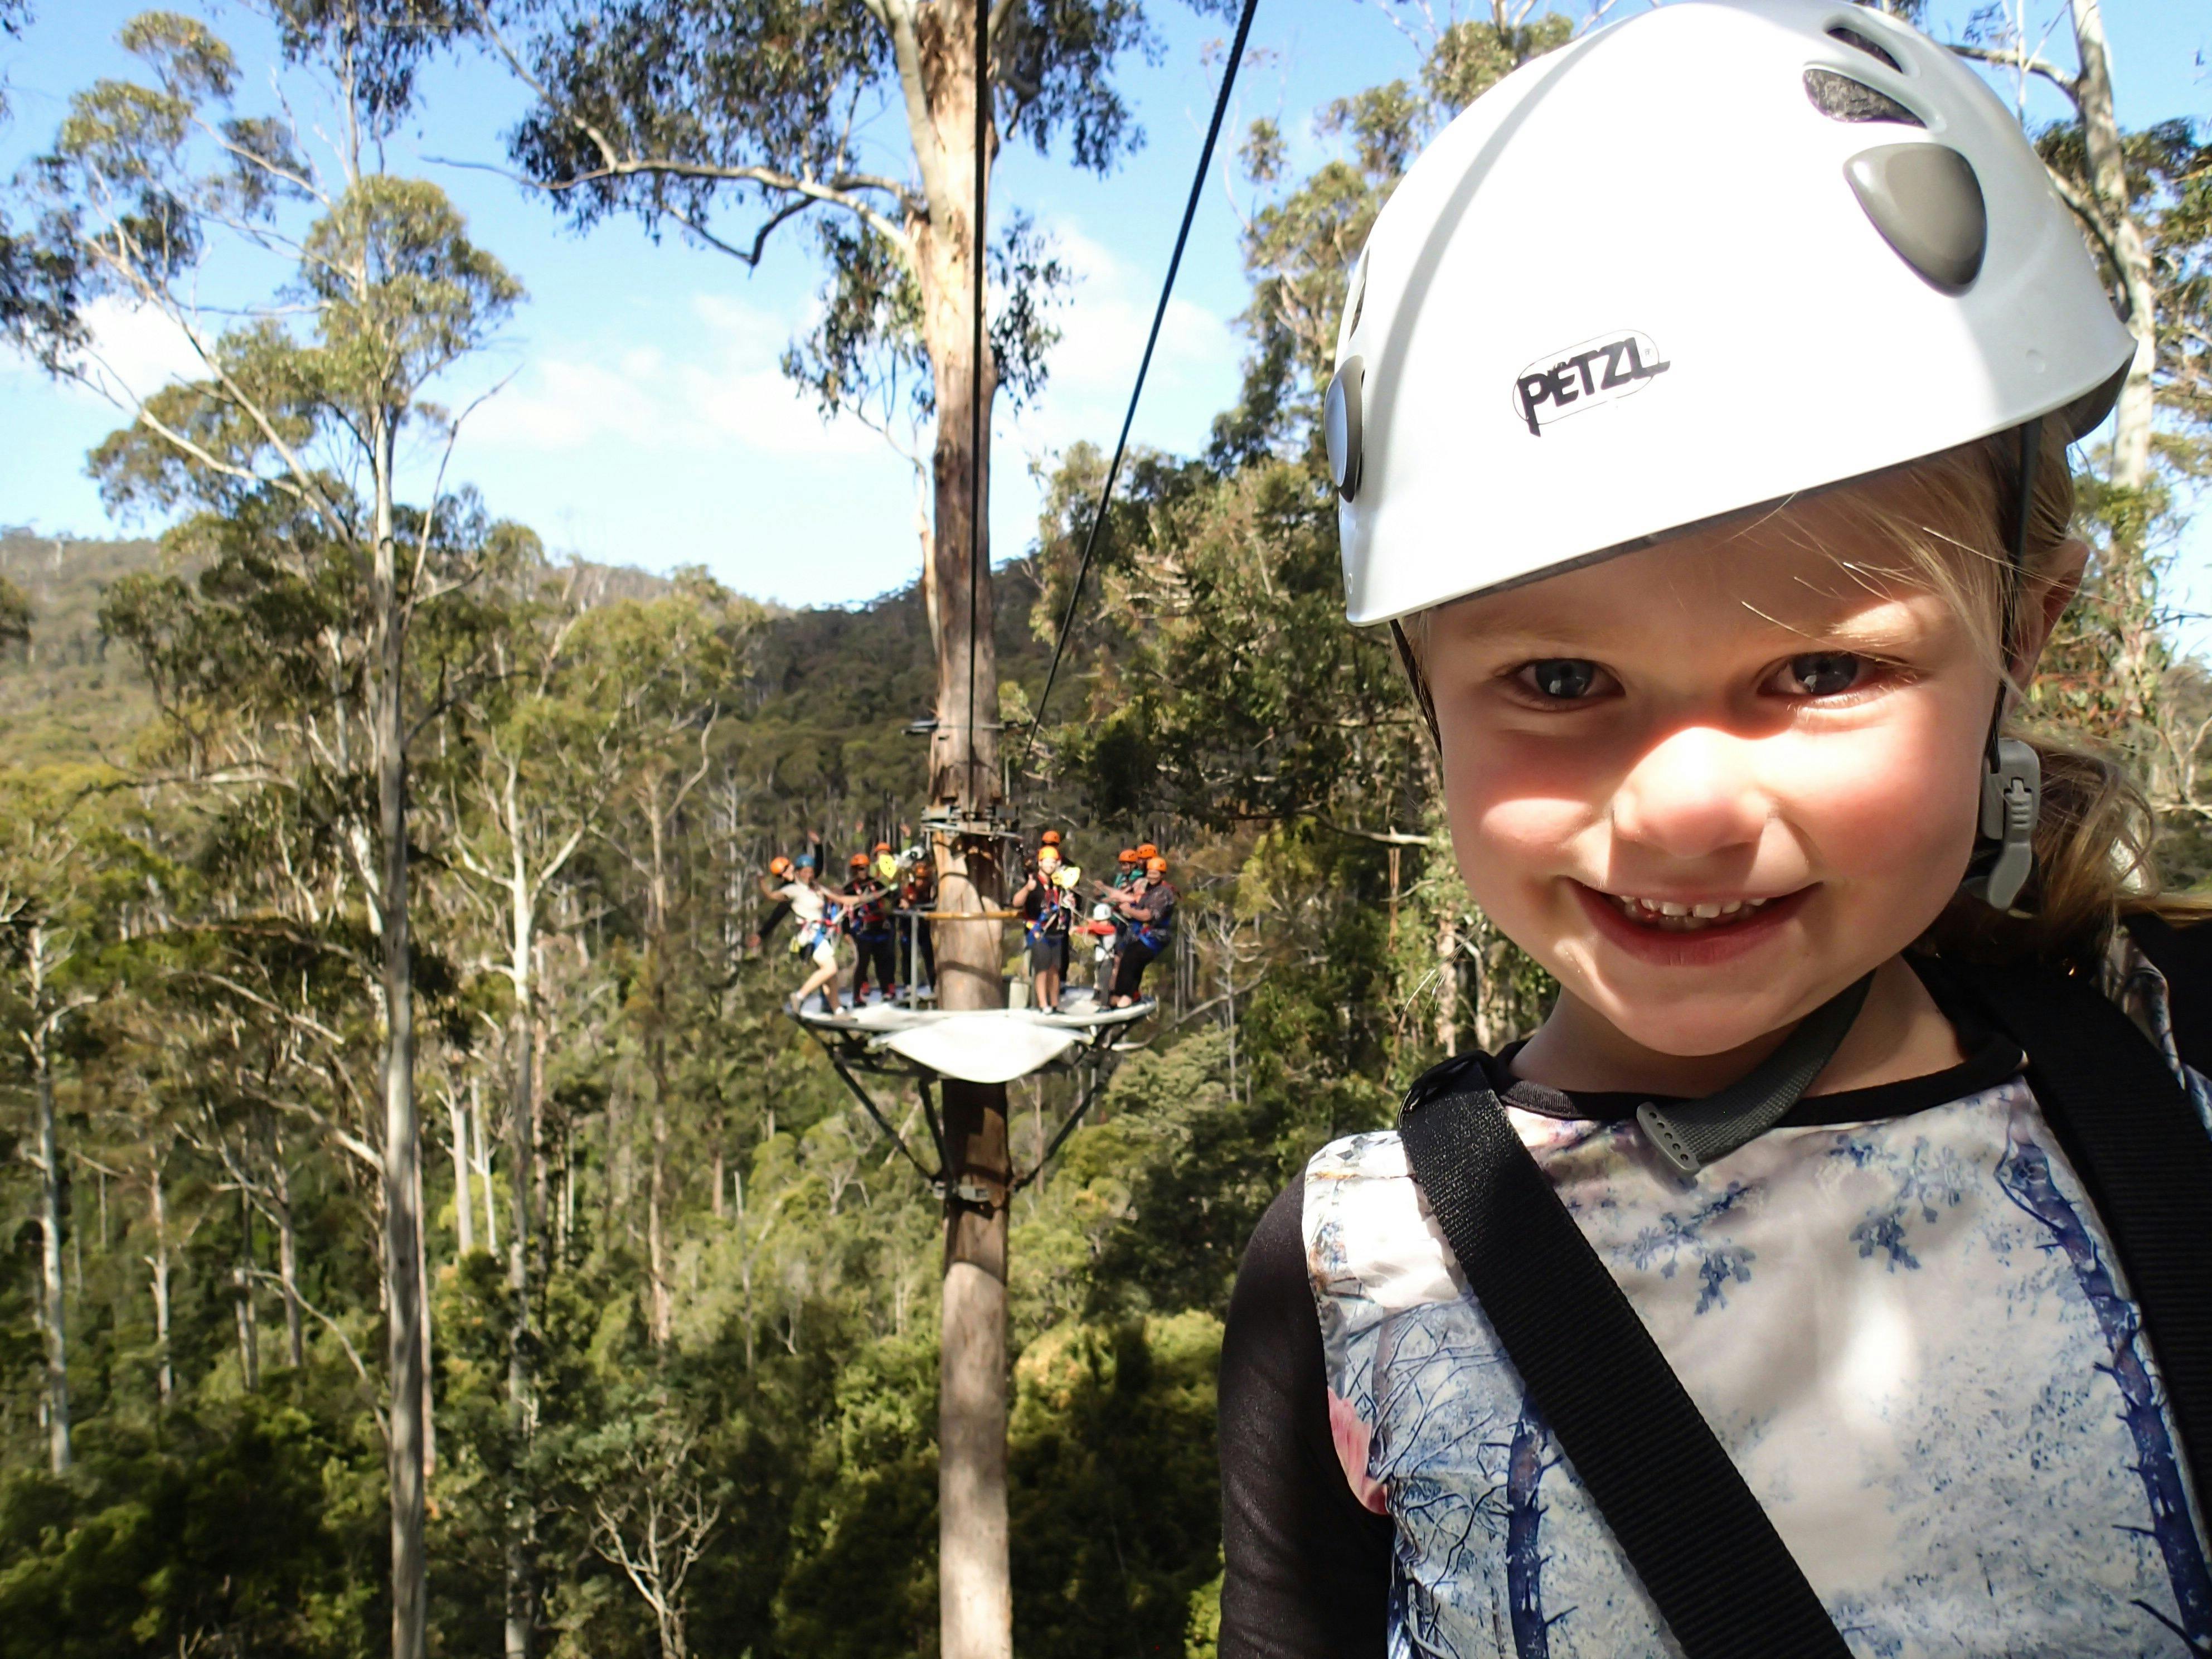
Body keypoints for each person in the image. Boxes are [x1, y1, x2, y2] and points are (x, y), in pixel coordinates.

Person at [1219, 6, 2212, 1656]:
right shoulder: (1350, 1275)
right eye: (1553, 677)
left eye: (1817, 669)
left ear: (2021, 632)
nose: (1679, 807)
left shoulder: (2171, 1069)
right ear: (1419, 686)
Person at [1011, 842, 1081, 1013]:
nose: (1050, 865)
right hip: (1038, 931)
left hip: (1056, 931)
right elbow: (1016, 903)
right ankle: (1044, 1005)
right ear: (1040, 863)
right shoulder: (1034, 881)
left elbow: (1071, 904)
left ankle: (1055, 1004)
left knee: (1055, 969)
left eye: (1053, 862)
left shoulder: (1060, 884)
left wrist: (1071, 901)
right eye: (1047, 862)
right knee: (1042, 968)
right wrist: (1028, 889)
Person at [1096, 855, 1173, 1008]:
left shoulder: (1162, 893)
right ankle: (1130, 995)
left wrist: (1129, 911)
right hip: (1146, 936)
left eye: (1156, 873)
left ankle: (1122, 997)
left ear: (1162, 874)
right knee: (1132, 959)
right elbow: (1128, 897)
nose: (1152, 875)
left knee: (1130, 959)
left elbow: (1147, 915)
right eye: (1150, 872)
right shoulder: (1151, 890)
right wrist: (1105, 889)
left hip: (1155, 938)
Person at [842, 852, 898, 1005]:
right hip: (862, 932)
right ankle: (857, 996)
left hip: (880, 929)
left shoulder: (877, 884)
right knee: (862, 964)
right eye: (860, 869)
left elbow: (891, 896)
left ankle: (887, 990)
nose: (863, 871)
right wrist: (846, 932)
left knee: (883, 962)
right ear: (854, 870)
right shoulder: (849, 889)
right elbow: (844, 912)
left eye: (866, 868)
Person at [898, 852, 937, 997]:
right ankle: (908, 985)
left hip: (924, 926)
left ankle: (934, 984)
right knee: (907, 954)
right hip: (907, 925)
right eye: (919, 879)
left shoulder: (931, 887)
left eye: (924, 879)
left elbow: (933, 903)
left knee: (929, 955)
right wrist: (902, 903)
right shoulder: (906, 886)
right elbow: (898, 901)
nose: (921, 882)